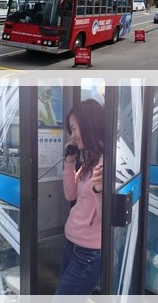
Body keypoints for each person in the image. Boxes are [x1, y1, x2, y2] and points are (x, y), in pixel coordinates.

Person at [55, 99, 105, 295]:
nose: (72, 135)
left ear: (89, 124)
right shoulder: (89, 162)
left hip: (88, 253)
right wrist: (69, 160)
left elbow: (108, 220)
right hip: (71, 245)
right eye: (71, 130)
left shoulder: (107, 164)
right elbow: (70, 194)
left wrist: (100, 192)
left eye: (74, 129)